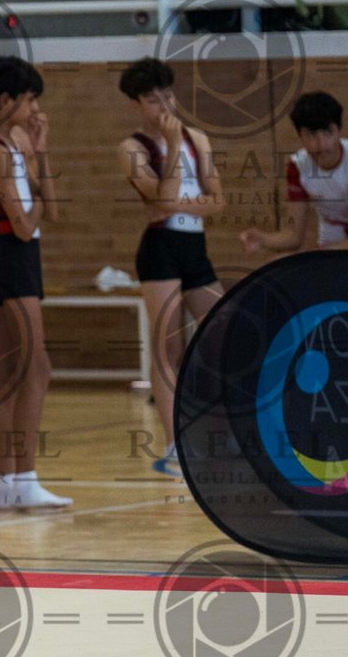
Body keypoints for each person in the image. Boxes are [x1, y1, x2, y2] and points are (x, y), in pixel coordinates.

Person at [0, 57, 69, 511]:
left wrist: (40, 153)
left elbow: (53, 209)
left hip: (22, 256)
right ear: (6, 100)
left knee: (7, 369)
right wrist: (36, 198)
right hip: (10, 255)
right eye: (31, 101)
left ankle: (6, 483)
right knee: (36, 366)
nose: (36, 111)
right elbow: (24, 225)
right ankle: (24, 476)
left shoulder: (13, 147)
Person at [117, 57, 226, 472]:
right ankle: (173, 444)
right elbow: (159, 197)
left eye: (167, 96)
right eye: (152, 100)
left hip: (194, 246)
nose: (164, 106)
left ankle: (223, 426)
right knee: (169, 346)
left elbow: (217, 201)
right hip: (160, 249)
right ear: (136, 105)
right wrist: (173, 146)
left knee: (223, 330)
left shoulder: (199, 138)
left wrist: (174, 203)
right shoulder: (131, 148)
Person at [242, 91, 348, 257]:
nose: (321, 144)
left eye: (328, 132)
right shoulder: (298, 166)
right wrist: (263, 239)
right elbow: (294, 236)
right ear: (300, 136)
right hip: (331, 237)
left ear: (339, 130)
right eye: (311, 135)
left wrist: (314, 255)